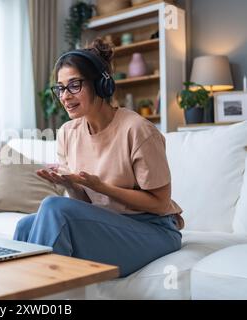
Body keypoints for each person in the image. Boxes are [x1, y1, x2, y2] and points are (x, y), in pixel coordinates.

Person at [13, 38, 184, 277]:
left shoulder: (137, 130)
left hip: (153, 229)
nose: (65, 96)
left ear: (101, 85)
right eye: (61, 88)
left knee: (52, 206)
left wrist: (102, 187)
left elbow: (159, 203)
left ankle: (42, 296)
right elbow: (83, 206)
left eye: (74, 85)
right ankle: (19, 294)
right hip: (110, 223)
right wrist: (71, 185)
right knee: (25, 226)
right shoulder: (67, 133)